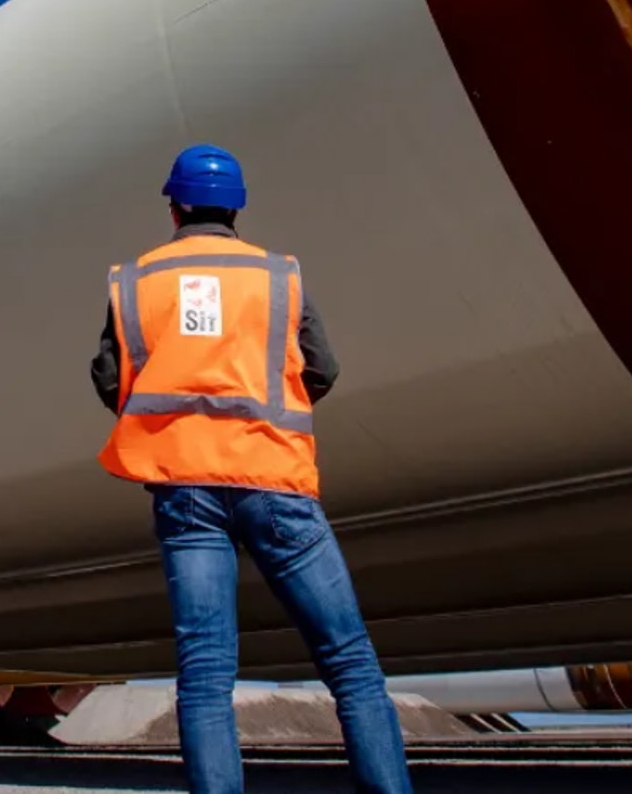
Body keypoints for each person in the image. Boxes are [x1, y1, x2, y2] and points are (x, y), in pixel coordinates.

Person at [90, 144, 411, 794]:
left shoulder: (136, 280)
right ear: (235, 206)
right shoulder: (278, 275)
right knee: (350, 663)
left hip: (185, 490)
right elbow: (322, 366)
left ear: (175, 205)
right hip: (275, 482)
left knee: (205, 675)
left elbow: (108, 378)